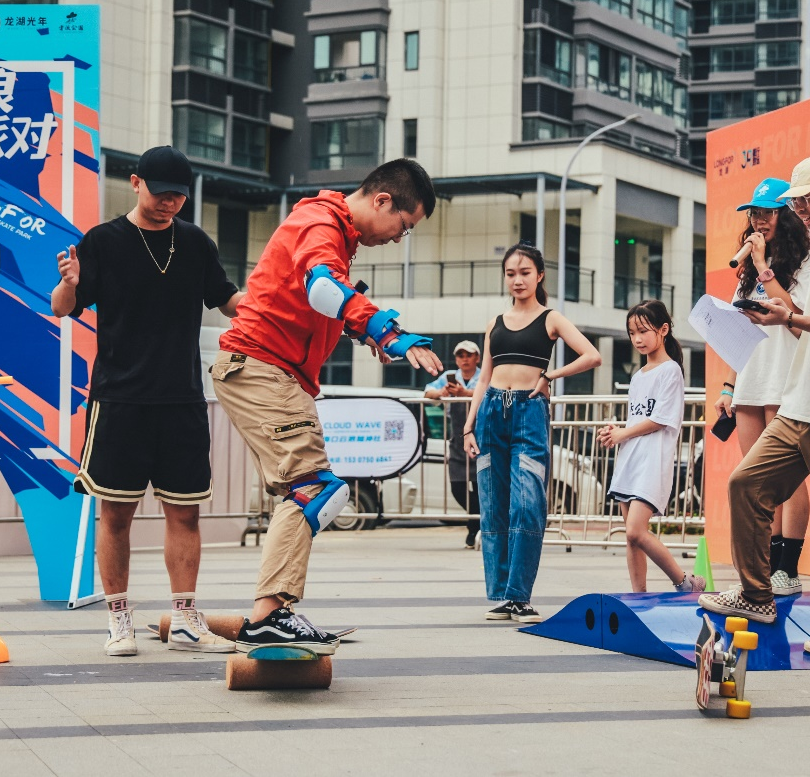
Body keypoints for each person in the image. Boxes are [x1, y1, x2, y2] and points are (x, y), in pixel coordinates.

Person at [211, 159, 443, 654]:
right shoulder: (322, 223)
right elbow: (321, 289)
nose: (400, 238)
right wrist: (386, 330)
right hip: (262, 366)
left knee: (306, 489)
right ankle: (269, 616)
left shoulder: (332, 230)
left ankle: (272, 614)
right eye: (404, 226)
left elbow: (315, 298)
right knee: (315, 488)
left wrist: (363, 332)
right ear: (382, 200)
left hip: (269, 370)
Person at [51, 145, 243, 657]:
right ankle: (119, 621)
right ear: (136, 183)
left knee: (186, 514)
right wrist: (69, 284)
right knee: (116, 514)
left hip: (181, 398)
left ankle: (184, 621)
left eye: (179, 196)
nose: (170, 203)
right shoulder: (104, 241)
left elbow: (228, 300)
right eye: (161, 194)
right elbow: (63, 307)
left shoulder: (195, 242)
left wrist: (275, 304)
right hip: (120, 399)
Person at [700, 154, 810, 659]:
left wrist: (785, 315)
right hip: (799, 400)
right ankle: (757, 595)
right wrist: (776, 307)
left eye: (804, 200)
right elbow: (795, 318)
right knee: (746, 484)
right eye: (794, 202)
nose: (800, 209)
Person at [462, 243, 602, 623]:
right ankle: (504, 596)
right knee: (494, 505)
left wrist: (550, 376)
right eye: (511, 273)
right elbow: (483, 378)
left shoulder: (550, 318)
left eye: (525, 272)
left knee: (527, 503)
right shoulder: (495, 323)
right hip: (491, 413)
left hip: (529, 412)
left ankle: (520, 595)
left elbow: (592, 355)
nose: (518, 280)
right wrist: (469, 425)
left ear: (539, 275)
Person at [711, 176, 810, 596]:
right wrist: (728, 387)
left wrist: (763, 267)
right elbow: (740, 333)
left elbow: (796, 315)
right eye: (754, 213)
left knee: (788, 478)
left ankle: (788, 568)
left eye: (768, 212)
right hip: (751, 378)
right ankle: (766, 568)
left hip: (785, 376)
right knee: (756, 479)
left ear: (785, 215)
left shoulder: (806, 260)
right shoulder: (749, 271)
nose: (759, 220)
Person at [598, 300, 704, 594]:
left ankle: (685, 582)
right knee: (630, 537)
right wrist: (616, 433)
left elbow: (660, 419)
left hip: (652, 462)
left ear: (663, 330)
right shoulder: (638, 376)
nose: (637, 339)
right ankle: (639, 596)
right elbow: (637, 419)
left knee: (636, 531)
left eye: (643, 331)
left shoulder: (671, 371)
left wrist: (623, 433)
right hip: (630, 461)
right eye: (632, 333)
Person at [425, 340, 483, 548]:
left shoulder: (484, 376)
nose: (464, 359)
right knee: (457, 487)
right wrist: (443, 393)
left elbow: (491, 393)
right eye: (461, 355)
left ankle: (474, 529)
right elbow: (427, 392)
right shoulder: (450, 376)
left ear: (477, 358)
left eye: (469, 355)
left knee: (481, 487)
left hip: (481, 437)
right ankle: (478, 521)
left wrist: (465, 394)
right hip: (457, 440)